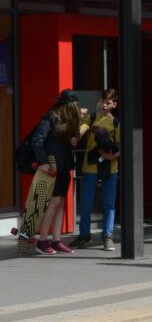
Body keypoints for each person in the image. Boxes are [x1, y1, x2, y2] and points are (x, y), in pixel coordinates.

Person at [30, 90, 85, 255]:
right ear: (67, 105)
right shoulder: (50, 117)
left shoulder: (66, 120)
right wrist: (44, 162)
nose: (76, 108)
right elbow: (37, 139)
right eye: (74, 105)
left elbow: (67, 143)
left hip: (63, 165)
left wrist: (73, 139)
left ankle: (56, 240)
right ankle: (42, 241)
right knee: (53, 203)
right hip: (53, 165)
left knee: (60, 203)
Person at [72, 89, 120, 251]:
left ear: (114, 104)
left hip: (110, 166)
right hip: (90, 166)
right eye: (103, 101)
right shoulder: (91, 117)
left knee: (109, 203)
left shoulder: (116, 122)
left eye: (109, 103)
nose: (105, 105)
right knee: (86, 203)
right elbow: (79, 133)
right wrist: (78, 122)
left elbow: (121, 147)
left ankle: (108, 236)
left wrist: (111, 157)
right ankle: (84, 235)